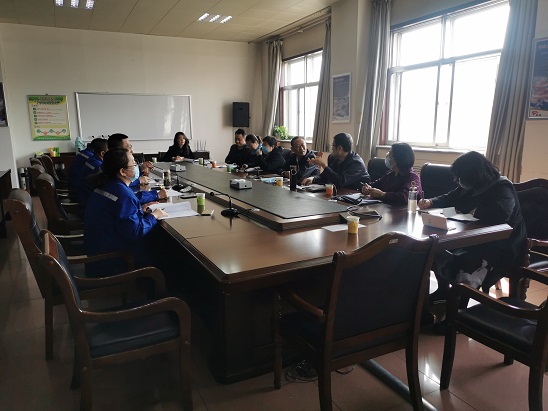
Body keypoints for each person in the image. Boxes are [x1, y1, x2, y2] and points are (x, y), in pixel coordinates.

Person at [418, 151, 527, 303]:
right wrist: (431, 202)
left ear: (475, 175)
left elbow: (502, 214)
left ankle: (460, 304)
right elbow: (451, 197)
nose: (459, 181)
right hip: (473, 237)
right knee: (437, 251)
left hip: (502, 244)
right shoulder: (472, 184)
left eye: (462, 178)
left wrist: (473, 211)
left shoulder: (502, 187)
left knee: (467, 262)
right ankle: (444, 290)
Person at [84, 148, 167, 276]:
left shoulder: (108, 184)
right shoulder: (123, 194)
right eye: (133, 164)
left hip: (98, 251)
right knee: (164, 248)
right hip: (112, 260)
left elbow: (119, 215)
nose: (136, 167)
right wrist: (154, 215)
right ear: (122, 171)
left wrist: (139, 211)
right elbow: (135, 232)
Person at [108, 133, 166, 204]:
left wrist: (140, 169)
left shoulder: (109, 167)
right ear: (118, 152)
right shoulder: (117, 184)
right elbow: (130, 199)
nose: (132, 151)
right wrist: (156, 195)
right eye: (128, 148)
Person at [301, 133, 370, 190]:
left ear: (339, 148)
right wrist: (312, 179)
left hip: (356, 194)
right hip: (340, 192)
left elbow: (340, 182)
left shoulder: (356, 163)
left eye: (333, 145)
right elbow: (325, 177)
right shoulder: (334, 158)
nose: (331, 148)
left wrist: (324, 165)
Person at [75, 137, 108, 203]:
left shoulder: (92, 159)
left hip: (81, 192)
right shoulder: (98, 165)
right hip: (86, 197)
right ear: (102, 154)